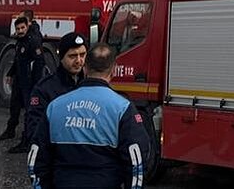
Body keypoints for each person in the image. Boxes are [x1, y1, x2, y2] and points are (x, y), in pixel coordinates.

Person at [29, 43, 150, 189]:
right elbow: (136, 162)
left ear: (85, 68)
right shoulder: (123, 108)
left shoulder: (55, 107)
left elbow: (37, 158)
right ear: (113, 70)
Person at [23, 32, 87, 153]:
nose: (79, 60)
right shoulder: (45, 89)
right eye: (72, 56)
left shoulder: (90, 86)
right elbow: (34, 130)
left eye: (82, 55)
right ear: (61, 57)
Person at [0, 15, 43, 152]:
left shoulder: (33, 41)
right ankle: (10, 130)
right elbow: (18, 59)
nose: (20, 31)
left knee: (29, 111)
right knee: (14, 105)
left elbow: (39, 62)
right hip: (19, 79)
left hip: (29, 82)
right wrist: (10, 74)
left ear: (27, 26)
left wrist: (36, 84)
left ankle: (27, 140)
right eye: (18, 28)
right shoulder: (19, 41)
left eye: (22, 28)